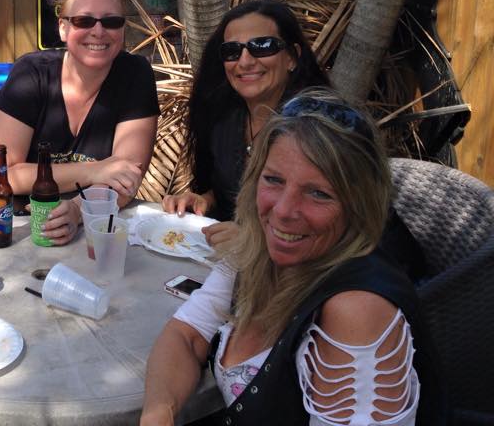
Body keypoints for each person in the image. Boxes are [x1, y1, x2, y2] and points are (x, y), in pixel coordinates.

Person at [141, 89, 445, 426]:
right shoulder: (256, 251)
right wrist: (159, 413)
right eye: (274, 180)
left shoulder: (355, 313)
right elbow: (187, 334)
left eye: (318, 193)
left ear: (358, 205)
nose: (284, 211)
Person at [0, 0, 160, 245]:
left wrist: (77, 209)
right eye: (84, 21)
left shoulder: (136, 75)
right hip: (2, 213)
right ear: (63, 28)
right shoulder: (31, 73)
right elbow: (5, 176)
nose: (98, 31)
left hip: (88, 217)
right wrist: (94, 171)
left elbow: (125, 178)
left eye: (111, 21)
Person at [164, 0, 327, 235]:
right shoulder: (226, 121)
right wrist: (204, 201)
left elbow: (329, 224)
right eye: (232, 51)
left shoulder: (319, 129)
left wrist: (250, 242)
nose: (245, 61)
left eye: (262, 46)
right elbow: (229, 191)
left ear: (292, 57)